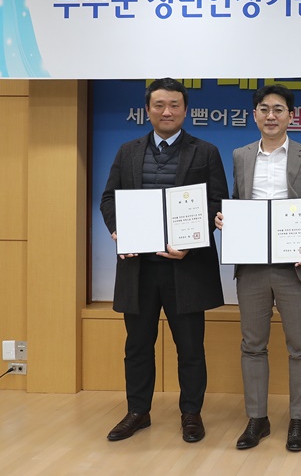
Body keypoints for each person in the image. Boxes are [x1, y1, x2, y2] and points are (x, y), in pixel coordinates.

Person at [100, 78, 228, 443]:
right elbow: (109, 199)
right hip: (138, 267)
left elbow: (217, 202)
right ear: (147, 110)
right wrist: (119, 231)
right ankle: (137, 412)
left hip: (186, 267)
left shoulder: (205, 152)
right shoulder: (127, 151)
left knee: (190, 347)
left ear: (185, 110)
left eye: (174, 105)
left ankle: (191, 413)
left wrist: (192, 241)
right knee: (137, 345)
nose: (166, 111)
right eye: (159, 105)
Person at [214, 85, 301, 451]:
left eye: (278, 109)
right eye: (264, 109)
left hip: (294, 266)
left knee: (300, 346)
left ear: (291, 115)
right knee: (252, 344)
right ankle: (257, 419)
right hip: (252, 266)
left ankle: (298, 420)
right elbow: (237, 201)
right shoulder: (241, 155)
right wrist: (225, 219)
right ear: (255, 115)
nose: (271, 115)